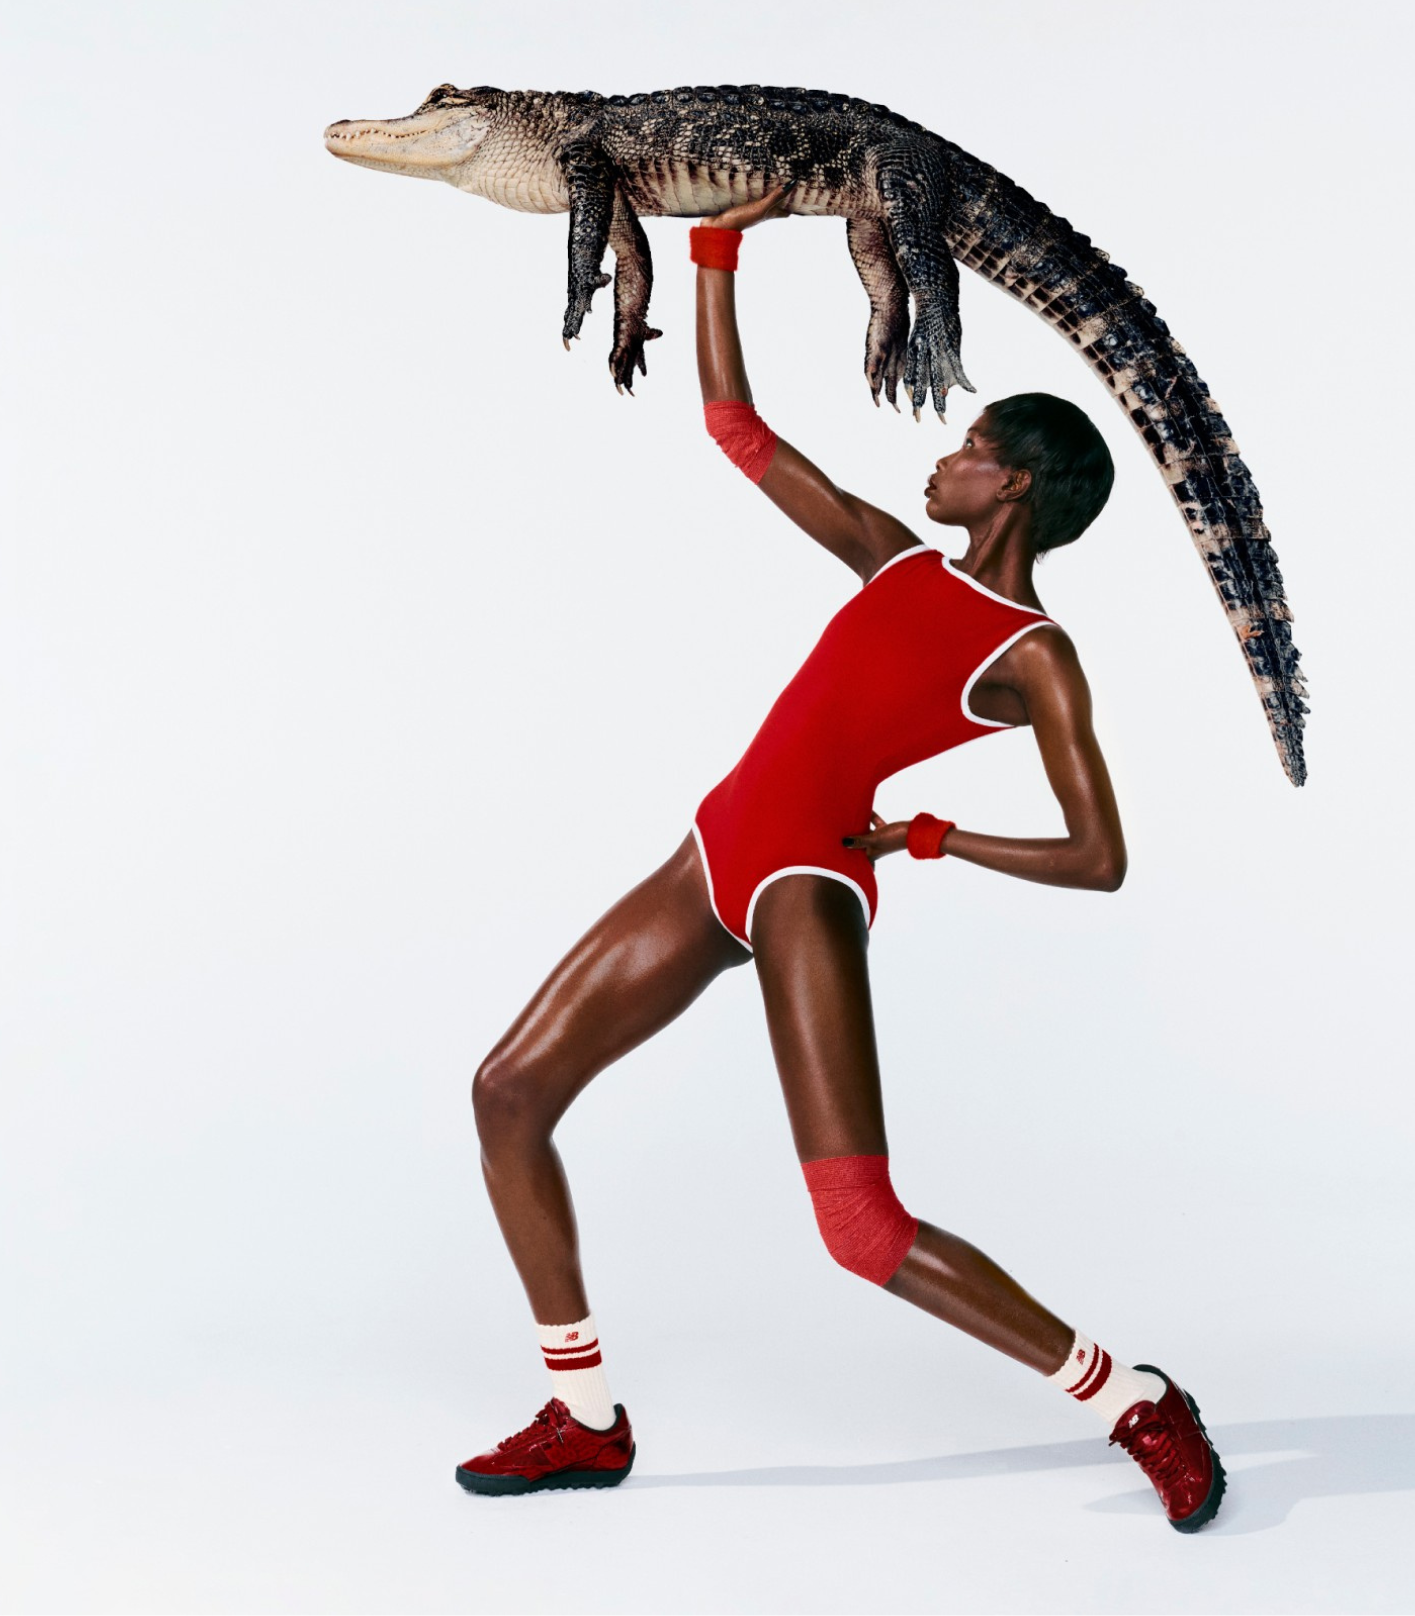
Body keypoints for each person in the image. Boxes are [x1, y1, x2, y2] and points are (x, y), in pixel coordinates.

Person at [454, 187, 1225, 1532]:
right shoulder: (890, 562)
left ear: (1017, 486)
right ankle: (583, 1418)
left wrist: (934, 835)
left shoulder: (1031, 656)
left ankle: (1131, 1401)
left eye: (971, 445)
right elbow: (733, 425)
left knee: (862, 1231)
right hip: (719, 842)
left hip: (810, 879)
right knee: (508, 1091)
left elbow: (1101, 857)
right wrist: (713, 245)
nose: (944, 456)